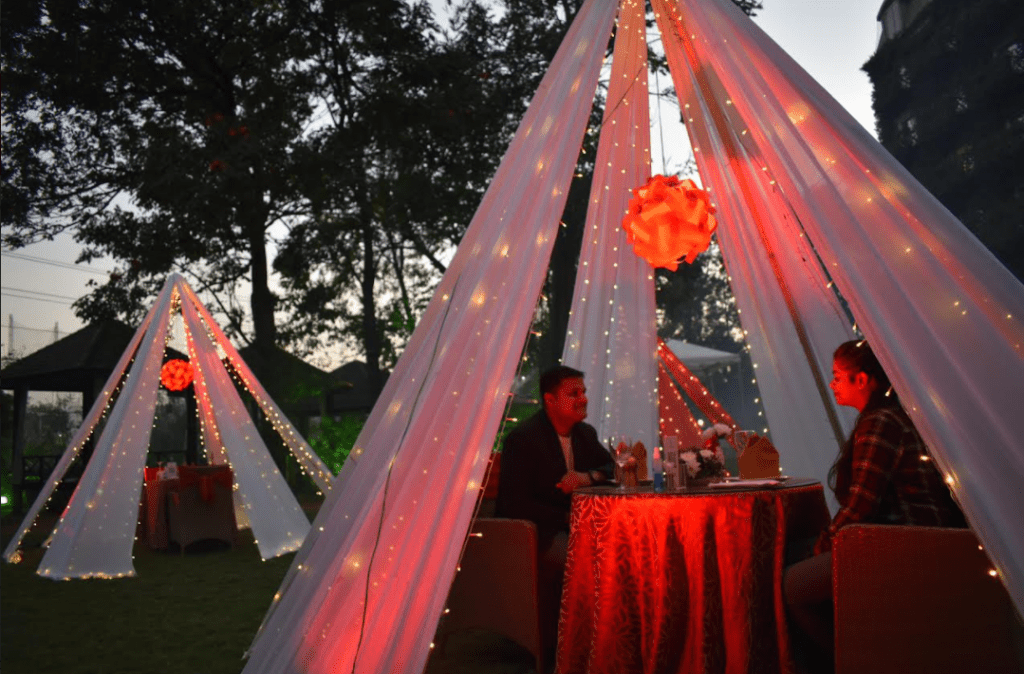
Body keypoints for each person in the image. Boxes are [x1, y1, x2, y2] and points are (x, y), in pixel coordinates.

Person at [783, 340, 966, 673]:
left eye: (838, 376)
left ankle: (851, 659)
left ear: (863, 380)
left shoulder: (881, 422)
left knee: (790, 584)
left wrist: (825, 542)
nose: (832, 384)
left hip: (901, 545)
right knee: (797, 551)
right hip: (916, 538)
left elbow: (861, 507)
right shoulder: (896, 415)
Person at [496, 365, 613, 666]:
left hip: (576, 529)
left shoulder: (585, 434)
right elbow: (514, 504)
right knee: (586, 560)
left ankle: (605, 642)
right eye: (573, 394)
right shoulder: (523, 440)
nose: (583, 399)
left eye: (584, 392)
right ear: (550, 400)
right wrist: (566, 521)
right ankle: (568, 649)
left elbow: (613, 468)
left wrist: (587, 477)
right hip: (533, 533)